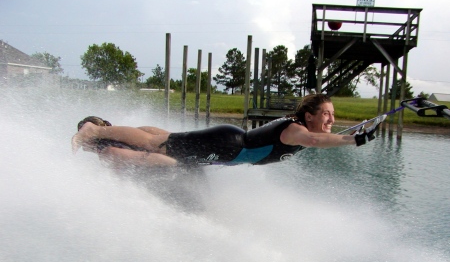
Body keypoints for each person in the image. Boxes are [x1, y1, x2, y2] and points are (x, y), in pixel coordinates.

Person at [72, 94, 385, 169]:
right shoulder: (296, 129)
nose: (331, 120)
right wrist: (354, 139)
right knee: (157, 146)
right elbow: (317, 139)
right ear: (309, 115)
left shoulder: (307, 129)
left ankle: (109, 139)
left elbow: (325, 136)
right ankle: (95, 134)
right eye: (326, 114)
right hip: (226, 145)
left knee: (165, 145)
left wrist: (355, 131)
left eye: (334, 116)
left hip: (225, 152)